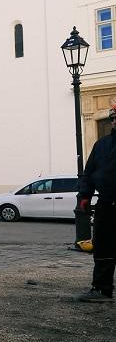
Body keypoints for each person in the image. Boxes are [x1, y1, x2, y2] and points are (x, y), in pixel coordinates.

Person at [76, 104, 116, 303]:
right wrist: (85, 195)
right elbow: (89, 172)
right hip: (106, 204)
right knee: (103, 246)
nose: (115, 120)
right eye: (114, 117)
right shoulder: (102, 145)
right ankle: (102, 289)